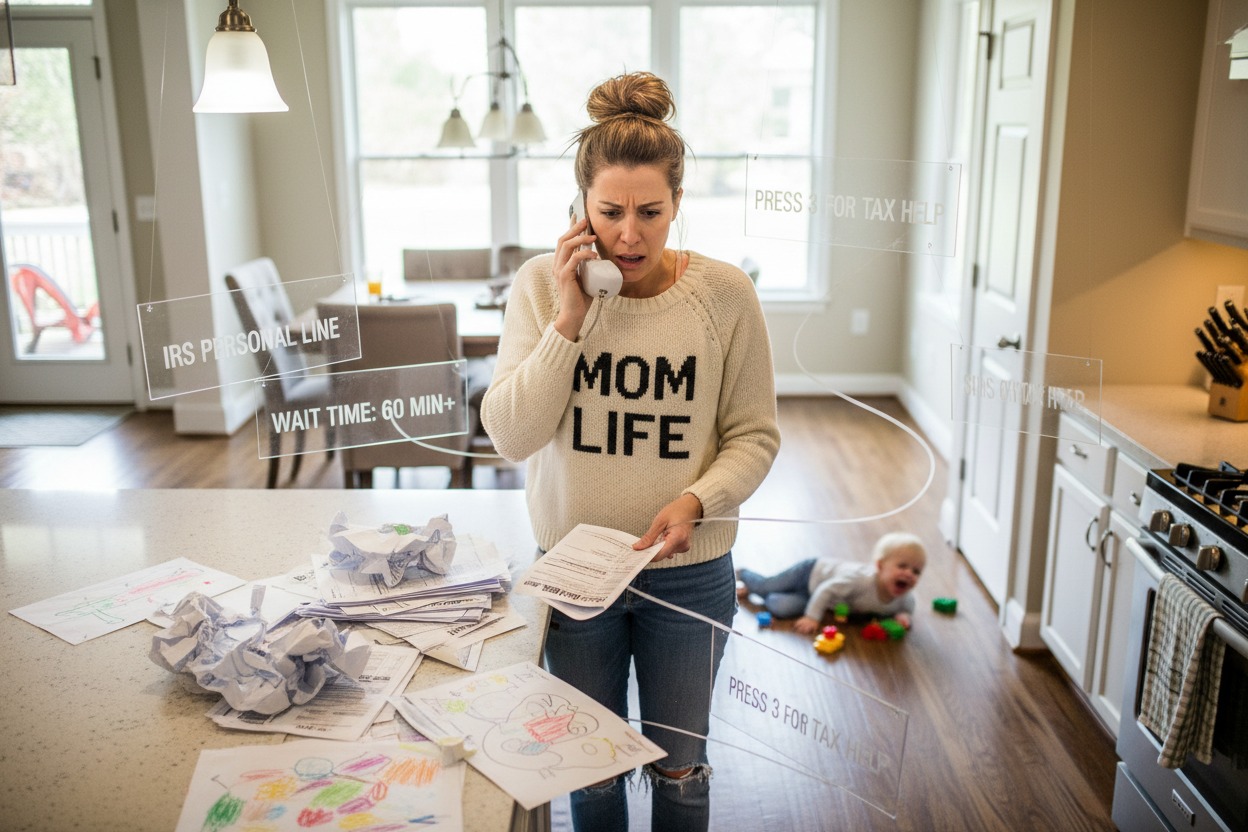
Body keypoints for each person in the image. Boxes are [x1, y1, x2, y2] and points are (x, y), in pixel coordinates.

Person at [480, 71, 780, 832]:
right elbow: (511, 435)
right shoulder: (542, 290)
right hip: (576, 575)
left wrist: (696, 501)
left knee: (679, 776)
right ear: (581, 206)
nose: (631, 234)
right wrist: (571, 321)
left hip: (687, 576)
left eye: (652, 212)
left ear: (678, 203)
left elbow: (754, 435)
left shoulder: (724, 297)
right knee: (593, 772)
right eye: (610, 212)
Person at [737, 532, 926, 634]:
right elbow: (827, 589)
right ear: (879, 565)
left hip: (814, 595)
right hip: (810, 573)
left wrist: (904, 617)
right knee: (767, 586)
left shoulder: (904, 598)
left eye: (916, 571)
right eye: (902, 566)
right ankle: (743, 574)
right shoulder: (860, 581)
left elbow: (908, 607)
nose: (909, 574)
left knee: (780, 608)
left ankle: (764, 593)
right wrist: (812, 618)